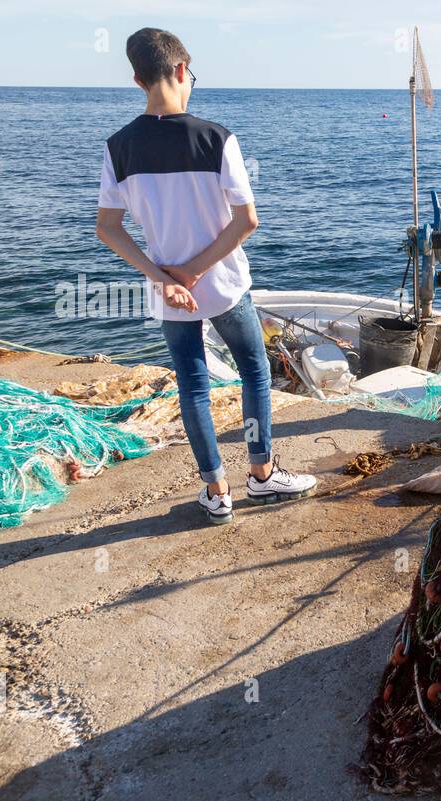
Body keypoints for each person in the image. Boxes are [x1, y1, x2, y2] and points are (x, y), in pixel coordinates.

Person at [95, 27, 315, 525]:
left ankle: (216, 493)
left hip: (170, 294)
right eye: (190, 74)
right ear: (180, 70)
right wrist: (195, 271)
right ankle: (260, 477)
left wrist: (163, 276)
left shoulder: (118, 148)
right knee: (255, 373)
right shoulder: (216, 138)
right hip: (223, 285)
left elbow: (108, 229)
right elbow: (247, 220)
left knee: (192, 386)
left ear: (136, 79)